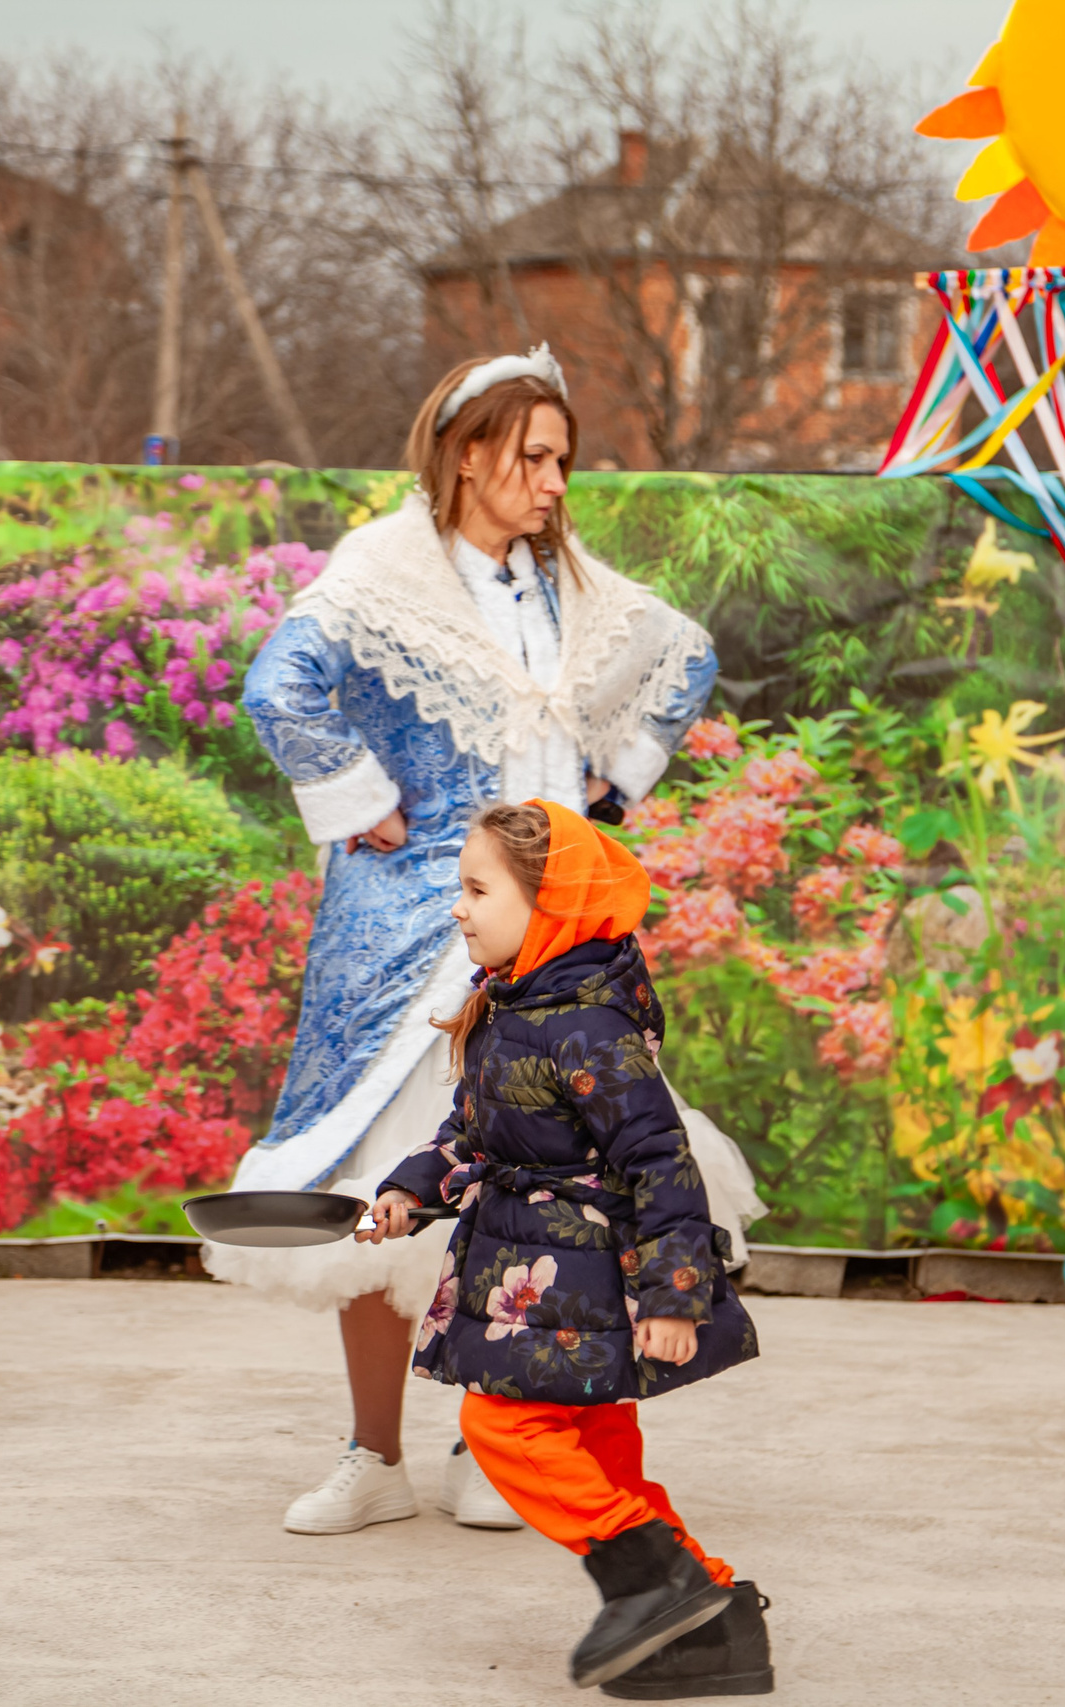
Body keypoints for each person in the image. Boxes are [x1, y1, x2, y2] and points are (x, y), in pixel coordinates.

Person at [215, 346, 761, 1535]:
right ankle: (373, 1455)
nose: (556, 483)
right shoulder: (380, 573)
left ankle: (496, 1443)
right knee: (384, 1190)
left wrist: (611, 790)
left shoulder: (575, 592)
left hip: (547, 944)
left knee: (543, 1190)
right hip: (409, 940)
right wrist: (361, 798)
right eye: (536, 457)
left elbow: (686, 657)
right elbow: (278, 688)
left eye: (564, 460)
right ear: (469, 455)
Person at [366, 800, 770, 1698]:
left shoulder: (589, 1026)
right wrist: (409, 1189)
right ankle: (715, 1619)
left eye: (478, 890)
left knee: (501, 1427)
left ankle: (656, 1586)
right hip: (533, 1274)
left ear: (547, 903)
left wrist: (674, 1296)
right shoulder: (512, 1005)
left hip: (579, 1283)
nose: (459, 907)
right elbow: (473, 1134)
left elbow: (661, 1161)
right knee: (602, 1458)